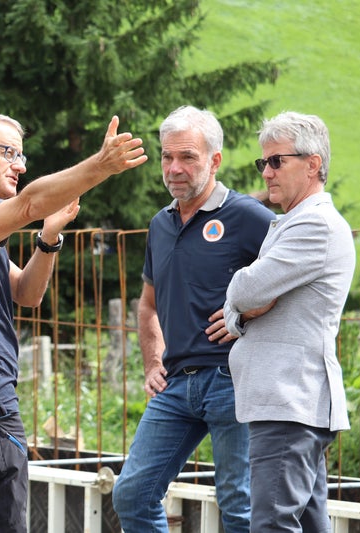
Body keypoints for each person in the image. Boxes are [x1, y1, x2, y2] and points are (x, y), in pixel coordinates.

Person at [0, 111, 146, 531]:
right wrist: (101, 165)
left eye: (22, 156)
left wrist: (48, 239)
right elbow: (31, 203)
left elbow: (26, 294)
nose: (19, 165)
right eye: (9, 153)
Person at [111, 105, 276, 532]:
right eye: (167, 157)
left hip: (233, 378)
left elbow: (295, 277)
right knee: (132, 494)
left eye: (187, 157)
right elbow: (148, 305)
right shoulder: (159, 225)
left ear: (214, 160)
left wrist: (245, 313)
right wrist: (152, 361)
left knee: (239, 505)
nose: (174, 168)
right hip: (176, 384)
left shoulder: (247, 216)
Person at [223, 112, 355, 532]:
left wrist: (238, 300)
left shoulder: (314, 224)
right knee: (308, 524)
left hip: (289, 402)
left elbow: (244, 290)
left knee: (271, 525)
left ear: (313, 164)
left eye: (277, 161)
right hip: (290, 404)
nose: (267, 172)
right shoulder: (296, 221)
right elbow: (243, 305)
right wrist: (241, 310)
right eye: (263, 162)